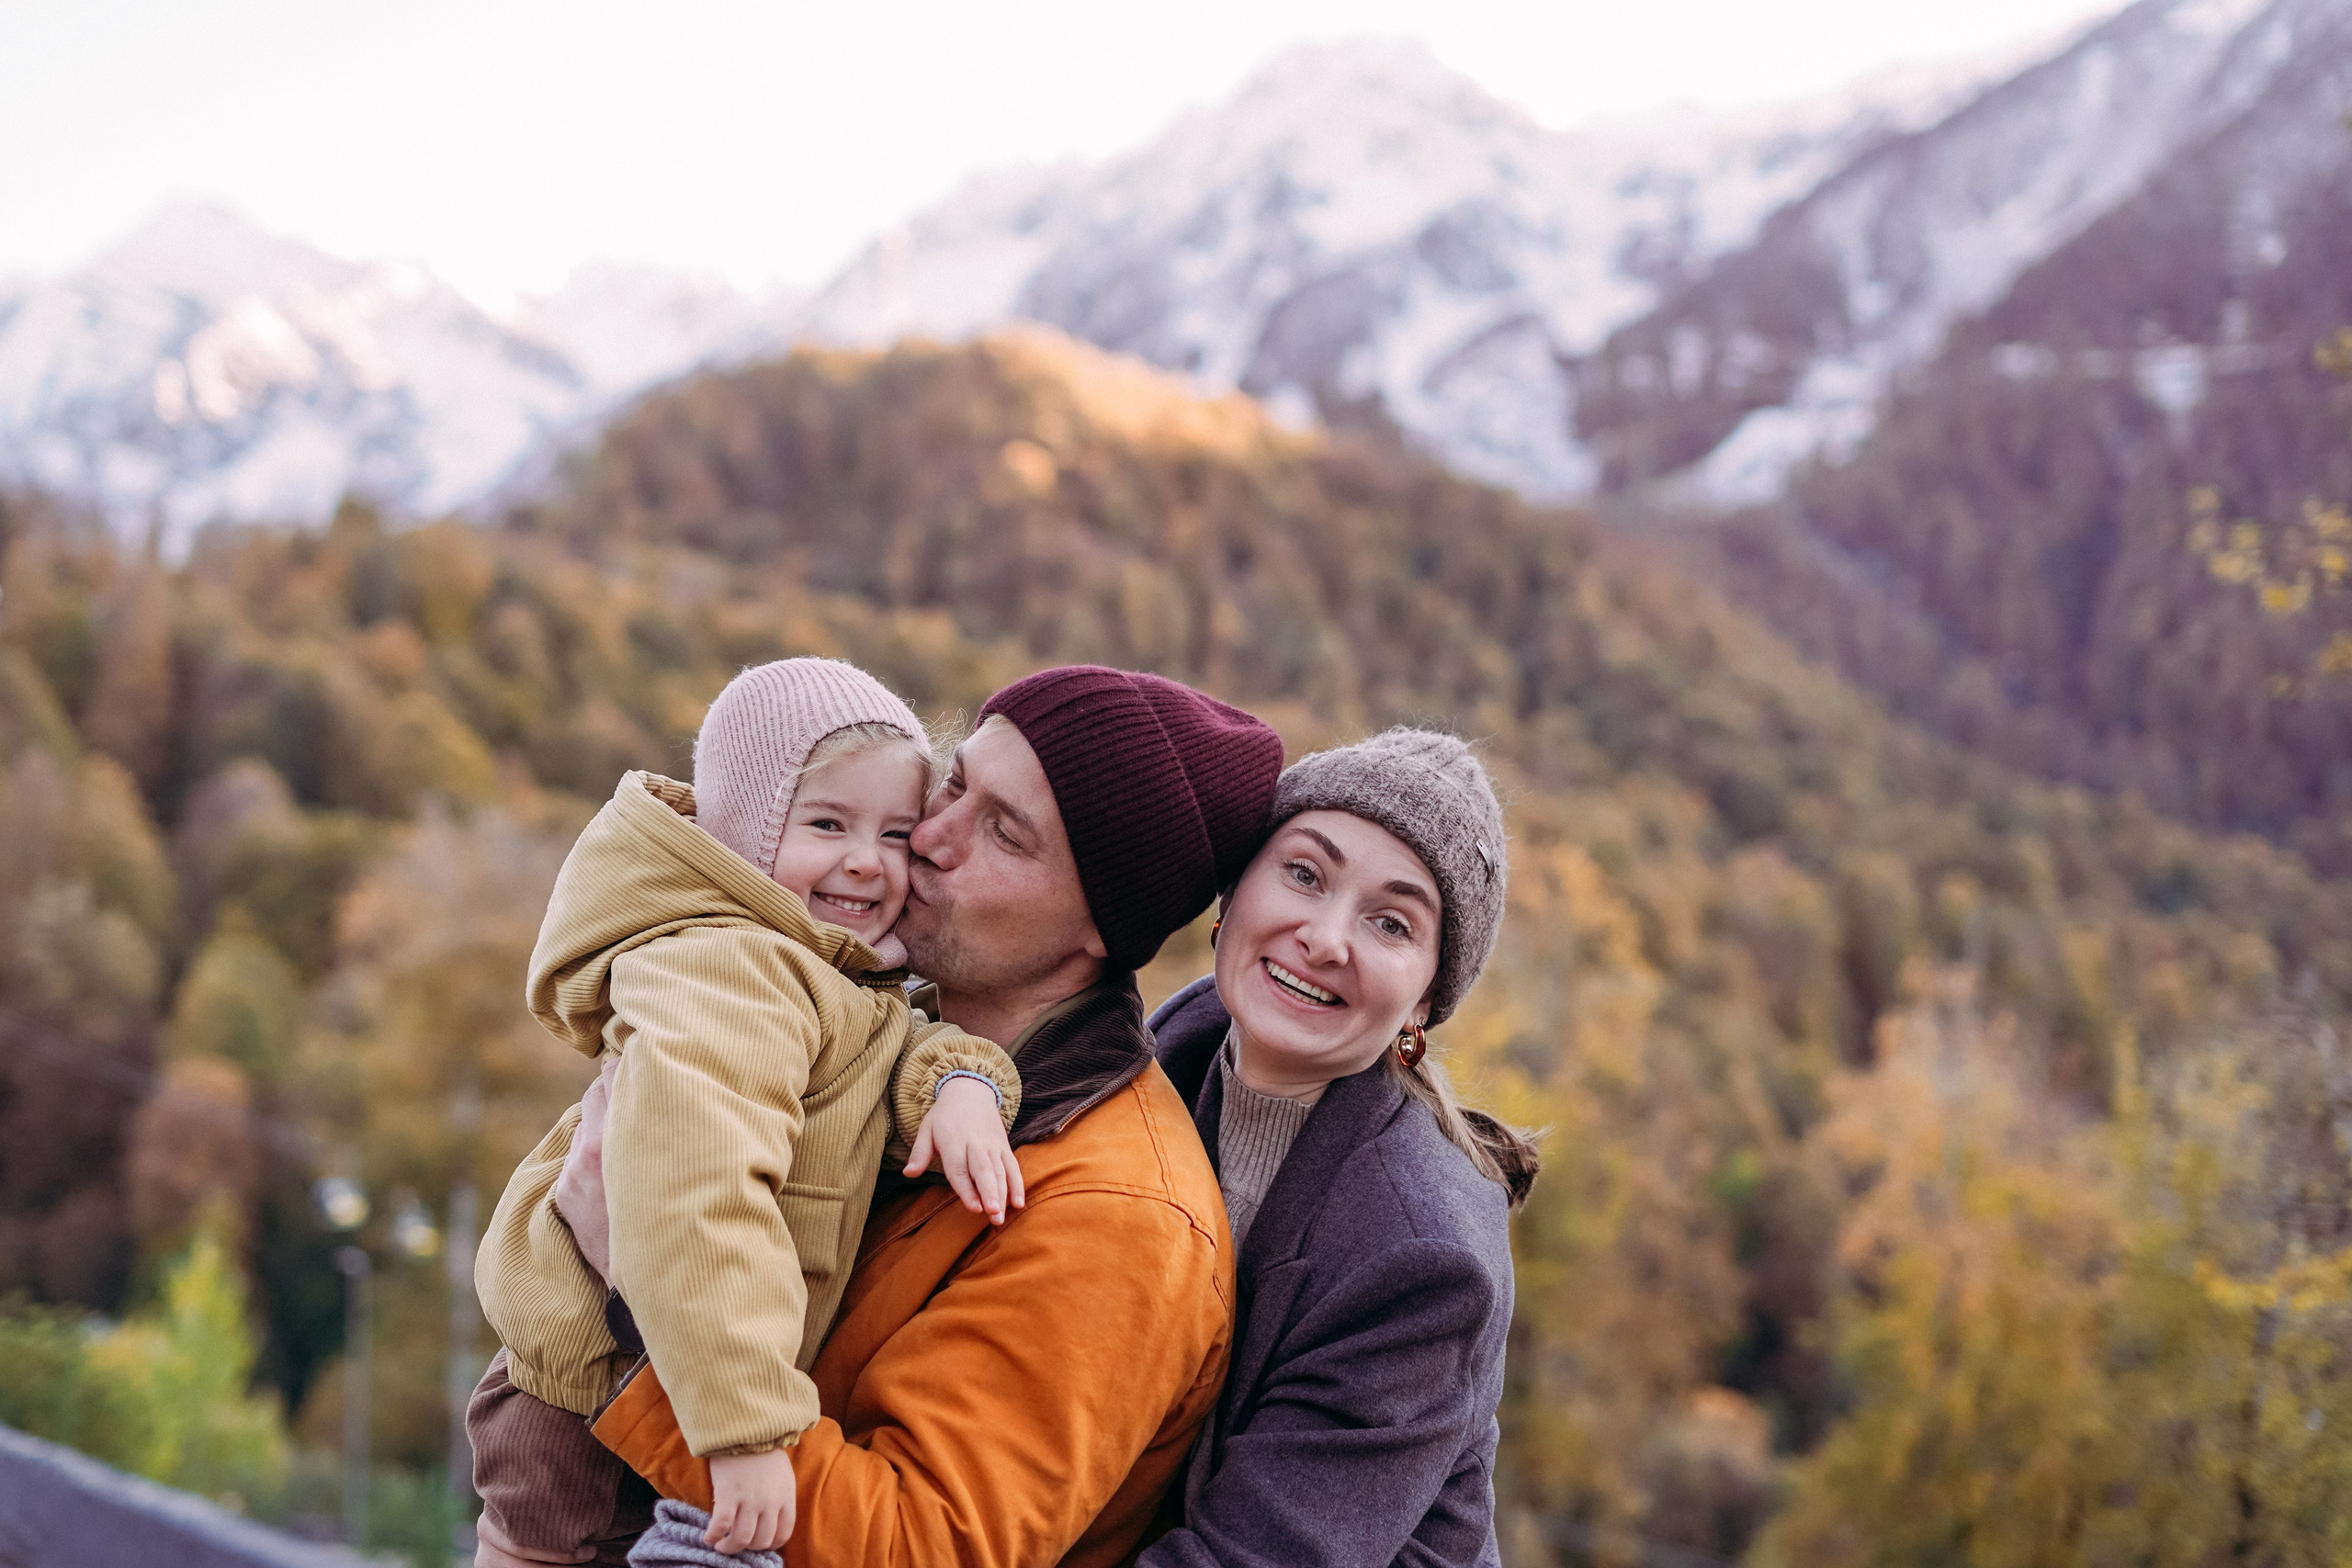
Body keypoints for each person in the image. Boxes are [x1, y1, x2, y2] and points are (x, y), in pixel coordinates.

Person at [567, 665, 1288, 1568]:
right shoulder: (855, 1030)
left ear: (1100, 928)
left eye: (1005, 833)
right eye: (955, 784)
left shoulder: (1118, 1213)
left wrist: (640, 1327)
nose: (929, 836)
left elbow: (919, 1543)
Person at [468, 659, 1028, 1567]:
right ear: (737, 834)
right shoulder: (725, 972)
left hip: (678, 1375)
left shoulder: (818, 977)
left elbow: (888, 1048)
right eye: (826, 823)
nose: (864, 858)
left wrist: (962, 1085)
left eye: (895, 832)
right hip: (591, 1403)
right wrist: (744, 1432)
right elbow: (697, 1194)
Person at [1141, 728, 1541, 1568]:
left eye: (1391, 922)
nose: (1325, 938)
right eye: (1303, 873)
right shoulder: (1164, 1053)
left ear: (1426, 997)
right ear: (1235, 890)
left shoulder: (1422, 1262)